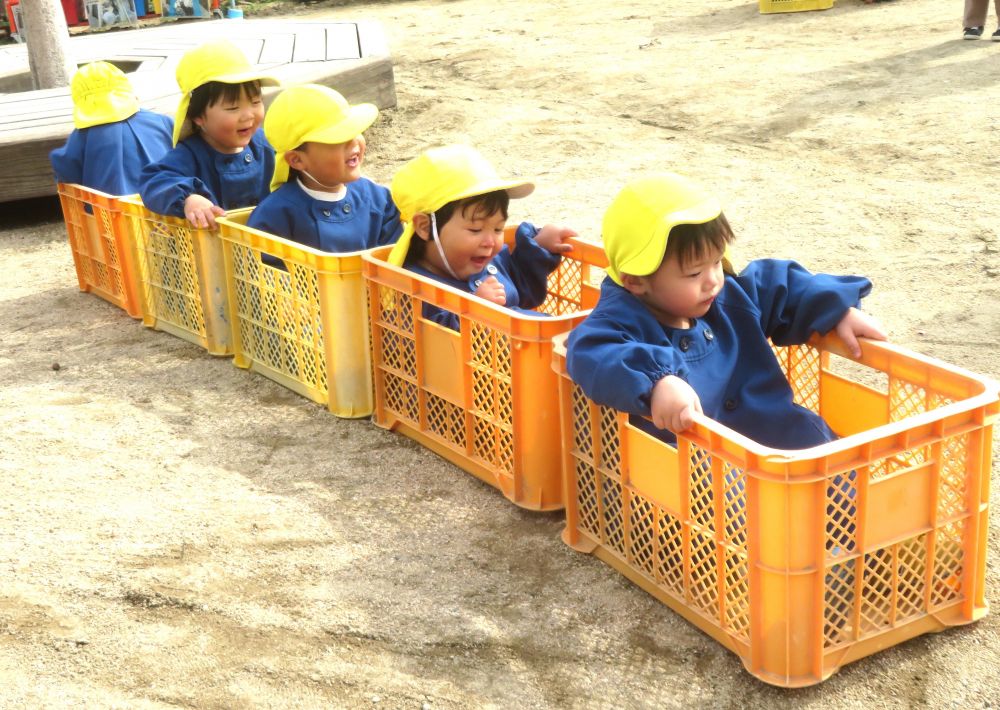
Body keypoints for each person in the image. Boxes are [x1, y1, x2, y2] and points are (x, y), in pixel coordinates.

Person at [566, 173, 887, 450]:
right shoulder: (618, 324)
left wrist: (835, 310)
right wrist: (657, 382)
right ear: (636, 280)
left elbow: (781, 285)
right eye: (694, 273)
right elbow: (591, 351)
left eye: (717, 261)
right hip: (696, 469)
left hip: (775, 434)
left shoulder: (731, 297)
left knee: (831, 464)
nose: (713, 280)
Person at [385, 144, 576, 330]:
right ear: (425, 227)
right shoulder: (412, 287)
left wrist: (539, 246)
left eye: (498, 229)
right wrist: (475, 309)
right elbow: (422, 343)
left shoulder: (488, 260)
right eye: (475, 229)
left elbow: (524, 291)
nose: (490, 242)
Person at [247, 84, 402, 254]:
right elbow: (262, 269)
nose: (354, 142)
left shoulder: (379, 200)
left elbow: (396, 260)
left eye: (355, 131)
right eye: (338, 138)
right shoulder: (275, 215)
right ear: (296, 159)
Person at [139, 39, 279, 228]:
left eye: (255, 102)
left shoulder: (266, 144)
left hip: (267, 249)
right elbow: (154, 180)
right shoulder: (190, 154)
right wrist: (189, 198)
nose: (248, 115)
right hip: (211, 252)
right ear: (198, 116)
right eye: (233, 107)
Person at [49, 61, 173, 196]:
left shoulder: (82, 136)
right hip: (169, 201)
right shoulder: (161, 121)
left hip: (111, 212)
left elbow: (65, 169)